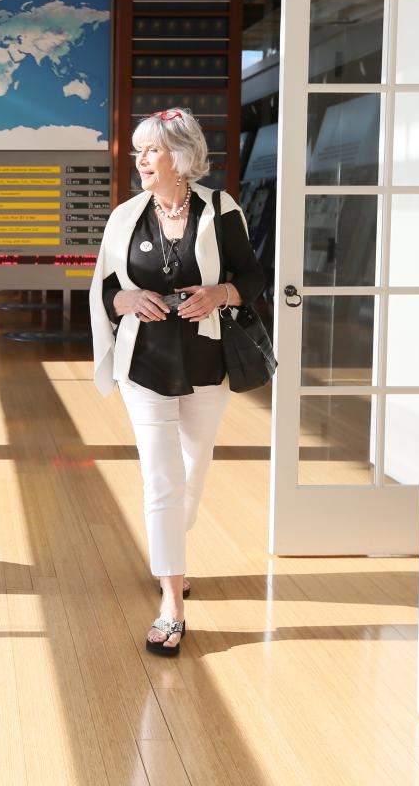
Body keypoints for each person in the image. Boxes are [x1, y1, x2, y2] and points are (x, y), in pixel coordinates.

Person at [89, 108, 266, 656]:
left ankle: (172, 554)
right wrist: (124, 298)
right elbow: (104, 287)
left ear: (181, 157)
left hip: (206, 359)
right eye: (138, 150)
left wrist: (222, 294)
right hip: (144, 362)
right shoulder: (126, 216)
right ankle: (171, 601)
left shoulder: (220, 209)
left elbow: (252, 275)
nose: (139, 159)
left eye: (151, 151)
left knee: (194, 466)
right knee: (161, 478)